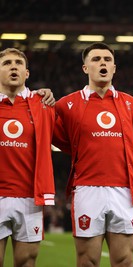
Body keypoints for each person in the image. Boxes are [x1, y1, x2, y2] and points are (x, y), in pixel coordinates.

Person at [52, 42, 133, 267]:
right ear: (85, 68)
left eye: (107, 59)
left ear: (114, 68)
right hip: (87, 188)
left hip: (123, 189)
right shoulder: (66, 104)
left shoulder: (131, 103)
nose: (102, 63)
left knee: (125, 260)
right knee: (87, 261)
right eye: (96, 59)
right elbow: (53, 135)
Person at [0, 48, 56, 266]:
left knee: (27, 262)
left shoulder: (43, 105)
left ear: (27, 73)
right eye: (6, 63)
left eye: (18, 63)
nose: (13, 66)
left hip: (29, 198)